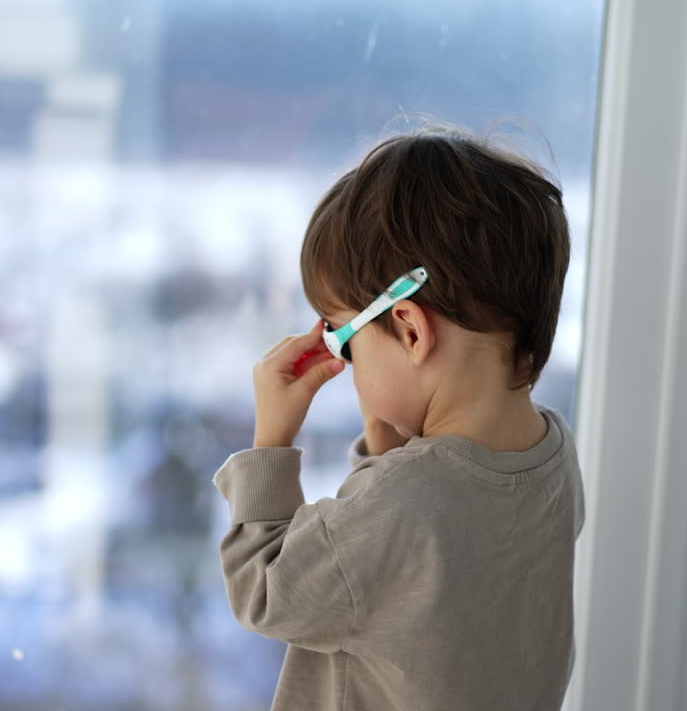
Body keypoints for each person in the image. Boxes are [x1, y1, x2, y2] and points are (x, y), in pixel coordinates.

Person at [213, 125, 585, 710]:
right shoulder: (553, 458)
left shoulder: (400, 502)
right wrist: (385, 444)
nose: (345, 361)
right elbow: (426, 574)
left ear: (410, 329)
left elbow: (266, 591)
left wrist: (272, 443)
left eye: (344, 340)